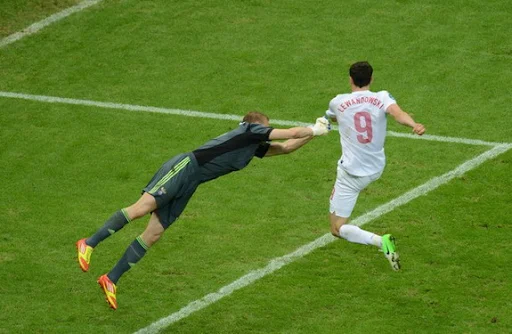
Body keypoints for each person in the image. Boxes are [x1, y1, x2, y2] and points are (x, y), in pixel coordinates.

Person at [76, 111, 330, 310]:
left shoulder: (253, 145)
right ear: (255, 124)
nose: (267, 130)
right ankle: (89, 243)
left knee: (154, 233)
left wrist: (314, 134)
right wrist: (312, 128)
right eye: (266, 126)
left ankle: (111, 278)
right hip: (185, 168)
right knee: (141, 209)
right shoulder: (252, 130)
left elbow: (285, 148)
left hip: (192, 183)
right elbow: (288, 133)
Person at [325, 61, 425, 271]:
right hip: (375, 169)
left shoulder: (337, 101)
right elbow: (398, 114)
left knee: (336, 228)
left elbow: (332, 118)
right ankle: (382, 243)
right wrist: (414, 125)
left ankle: (381, 241)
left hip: (350, 174)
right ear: (371, 79)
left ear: (350, 79)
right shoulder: (382, 97)